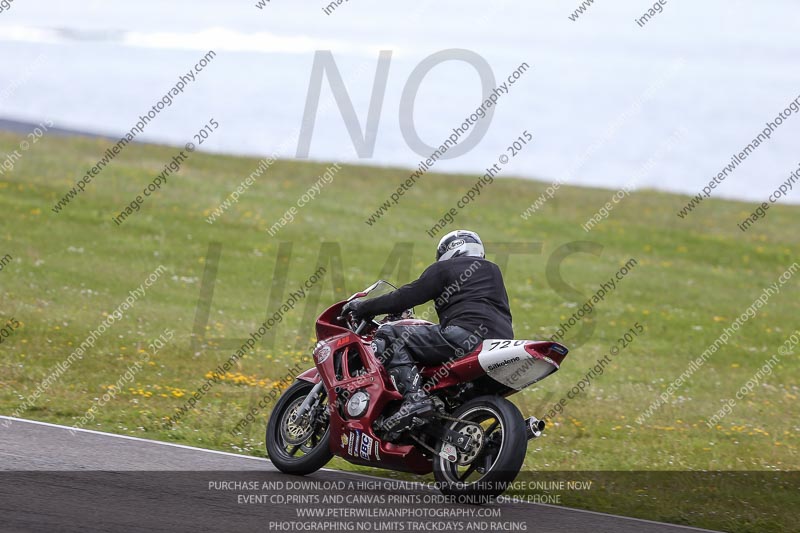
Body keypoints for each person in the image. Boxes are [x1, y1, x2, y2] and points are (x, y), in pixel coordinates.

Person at [343, 230, 513, 431]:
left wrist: (363, 307)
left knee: (389, 334)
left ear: (449, 250)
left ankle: (415, 399)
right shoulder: (493, 271)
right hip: (500, 343)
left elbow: (405, 297)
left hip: (465, 336)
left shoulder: (445, 267)